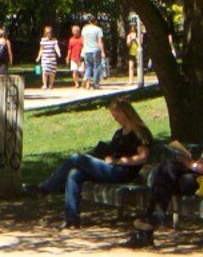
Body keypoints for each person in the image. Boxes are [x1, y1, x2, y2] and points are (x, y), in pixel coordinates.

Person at [49, 98, 156, 228]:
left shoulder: (139, 132)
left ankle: (46, 188)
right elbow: (114, 152)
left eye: (116, 115)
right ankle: (72, 219)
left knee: (77, 158)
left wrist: (118, 161)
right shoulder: (119, 133)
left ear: (125, 112)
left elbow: (143, 157)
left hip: (124, 172)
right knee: (74, 174)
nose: (115, 119)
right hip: (110, 168)